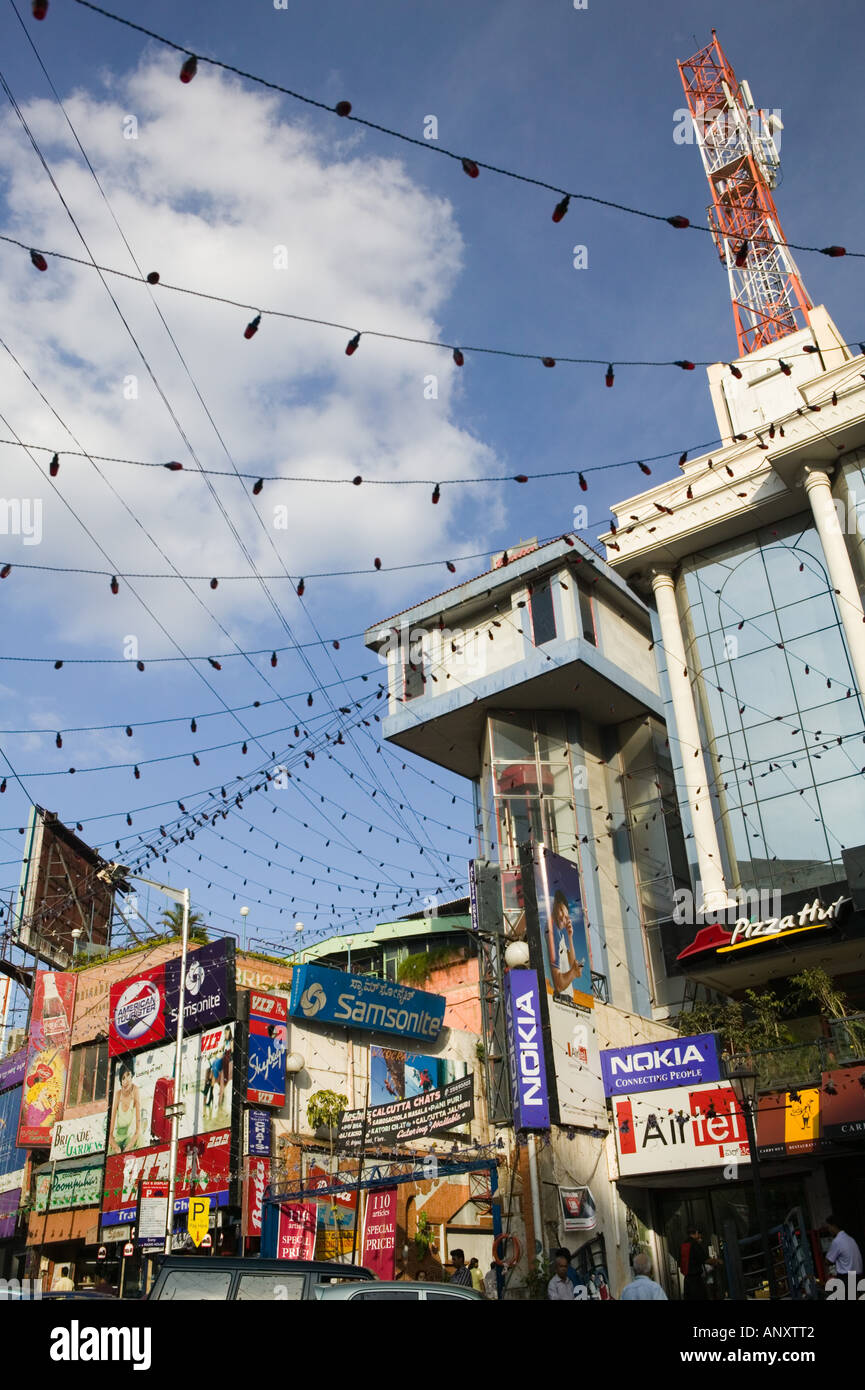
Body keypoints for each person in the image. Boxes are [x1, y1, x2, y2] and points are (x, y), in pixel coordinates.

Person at [547, 890, 585, 996]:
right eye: (561, 911)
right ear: (554, 907)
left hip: (567, 1001)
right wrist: (574, 972)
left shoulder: (561, 936)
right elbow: (559, 985)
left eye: (566, 916)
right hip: (559, 999)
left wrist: (570, 936)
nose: (563, 918)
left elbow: (572, 963)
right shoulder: (552, 932)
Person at [108, 1062, 140, 1154]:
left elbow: (138, 1131)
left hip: (130, 1139)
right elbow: (109, 1135)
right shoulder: (118, 1095)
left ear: (132, 1075)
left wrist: (128, 1148)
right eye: (123, 1078)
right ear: (121, 1081)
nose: (126, 1080)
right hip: (117, 1140)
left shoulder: (135, 1091)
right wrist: (116, 1148)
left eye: (128, 1075)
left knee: (139, 1142)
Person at [679, 1226, 711, 1301]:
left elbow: (680, 1263)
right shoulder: (695, 1244)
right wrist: (716, 1261)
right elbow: (705, 1259)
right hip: (696, 1281)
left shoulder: (682, 1245)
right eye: (699, 1233)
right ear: (696, 1233)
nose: (700, 1235)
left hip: (687, 1281)